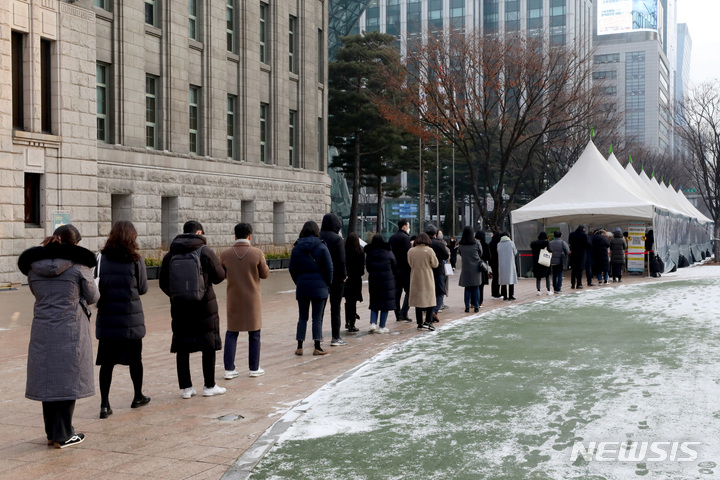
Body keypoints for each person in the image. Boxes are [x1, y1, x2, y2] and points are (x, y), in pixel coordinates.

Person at [18, 225, 99, 449]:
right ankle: (64, 434)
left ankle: (52, 433)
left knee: (48, 379)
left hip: (42, 329)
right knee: (68, 378)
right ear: (74, 243)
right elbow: (93, 296)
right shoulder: (79, 268)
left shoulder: (34, 268)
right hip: (70, 329)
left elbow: (37, 294)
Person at [160, 221, 226, 399]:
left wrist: (178, 295)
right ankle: (209, 386)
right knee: (208, 343)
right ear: (198, 232)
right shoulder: (205, 251)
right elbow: (219, 277)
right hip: (204, 305)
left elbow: (162, 283)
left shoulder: (171, 254)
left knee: (182, 345)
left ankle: (187, 388)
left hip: (180, 306)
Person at [95, 221, 150, 419]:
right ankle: (137, 396)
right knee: (136, 360)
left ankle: (104, 404)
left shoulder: (101, 258)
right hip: (130, 319)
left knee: (107, 363)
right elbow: (143, 288)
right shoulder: (136, 260)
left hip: (108, 317)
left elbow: (95, 287)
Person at [220, 223, 269, 380]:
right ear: (250, 236)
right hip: (252, 299)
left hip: (233, 298)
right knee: (254, 333)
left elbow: (221, 274)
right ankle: (254, 368)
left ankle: (229, 369)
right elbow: (265, 274)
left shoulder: (225, 254)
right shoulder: (257, 253)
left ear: (235, 236)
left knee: (231, 333)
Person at [289, 221, 333, 356]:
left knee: (302, 317)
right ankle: (317, 346)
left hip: (302, 286)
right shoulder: (322, 246)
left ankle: (300, 346)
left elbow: (292, 268)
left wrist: (298, 281)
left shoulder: (296, 248)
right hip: (319, 287)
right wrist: (327, 284)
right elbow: (329, 268)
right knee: (317, 317)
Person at [319, 213, 347, 347]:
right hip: (336, 277)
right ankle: (335, 337)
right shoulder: (337, 239)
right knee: (335, 307)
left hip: (320, 277)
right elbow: (341, 260)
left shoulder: (318, 237)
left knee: (320, 308)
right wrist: (344, 275)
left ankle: (318, 336)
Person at [364, 234, 397, 333]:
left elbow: (368, 267)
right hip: (387, 281)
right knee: (385, 304)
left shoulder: (370, 253)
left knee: (374, 302)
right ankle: (382, 326)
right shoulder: (388, 252)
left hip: (374, 281)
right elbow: (394, 264)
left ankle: (373, 323)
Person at [407, 233, 439, 331]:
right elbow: (435, 264)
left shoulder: (411, 251)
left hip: (415, 276)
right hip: (427, 276)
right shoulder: (429, 250)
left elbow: (410, 263)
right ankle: (428, 321)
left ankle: (419, 322)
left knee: (418, 300)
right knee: (429, 300)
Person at [388, 219, 412, 321]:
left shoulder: (392, 238)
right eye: (408, 226)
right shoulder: (405, 238)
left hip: (395, 269)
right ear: (404, 227)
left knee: (397, 292)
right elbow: (408, 254)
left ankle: (397, 313)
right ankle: (404, 312)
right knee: (409, 291)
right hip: (405, 269)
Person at [425, 225, 449, 321]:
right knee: (440, 292)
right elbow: (446, 255)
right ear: (435, 234)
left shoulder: (423, 244)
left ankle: (428, 311)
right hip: (438, 270)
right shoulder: (438, 244)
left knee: (428, 292)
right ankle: (434, 311)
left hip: (426, 271)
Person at [458, 226, 483, 313]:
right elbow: (481, 252)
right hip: (475, 268)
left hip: (466, 267)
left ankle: (467, 306)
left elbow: (460, 253)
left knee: (467, 288)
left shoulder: (461, 244)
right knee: (476, 287)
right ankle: (476, 306)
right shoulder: (476, 243)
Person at [344, 232, 365, 333]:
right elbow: (361, 271)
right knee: (353, 302)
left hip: (347, 280)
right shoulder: (360, 253)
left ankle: (348, 320)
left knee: (348, 301)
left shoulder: (344, 251)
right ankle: (352, 322)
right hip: (356, 281)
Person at [496, 232, 518, 301]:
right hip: (510, 263)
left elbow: (497, 252)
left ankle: (505, 296)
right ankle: (511, 295)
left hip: (502, 264)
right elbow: (515, 252)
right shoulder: (511, 243)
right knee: (511, 279)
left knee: (503, 280)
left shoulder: (499, 244)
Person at [530, 231, 551, 296]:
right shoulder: (546, 243)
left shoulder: (533, 244)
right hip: (544, 261)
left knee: (538, 277)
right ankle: (548, 290)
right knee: (547, 276)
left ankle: (538, 290)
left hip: (537, 263)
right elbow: (550, 250)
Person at [568, 225, 588, 289]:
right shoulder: (584, 235)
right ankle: (579, 284)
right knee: (580, 269)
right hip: (581, 254)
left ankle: (573, 284)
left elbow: (570, 242)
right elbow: (588, 244)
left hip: (573, 253)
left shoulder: (571, 234)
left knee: (573, 269)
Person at [476, 230, 490, 307]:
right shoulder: (485, 245)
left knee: (475, 285)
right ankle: (480, 301)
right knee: (481, 286)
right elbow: (489, 256)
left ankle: (473, 301)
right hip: (483, 266)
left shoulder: (473, 244)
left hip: (474, 265)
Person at [488, 228, 502, 298]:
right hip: (497, 261)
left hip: (492, 262)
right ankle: (496, 292)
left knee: (494, 278)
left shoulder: (491, 243)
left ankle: (493, 292)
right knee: (497, 277)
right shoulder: (498, 244)